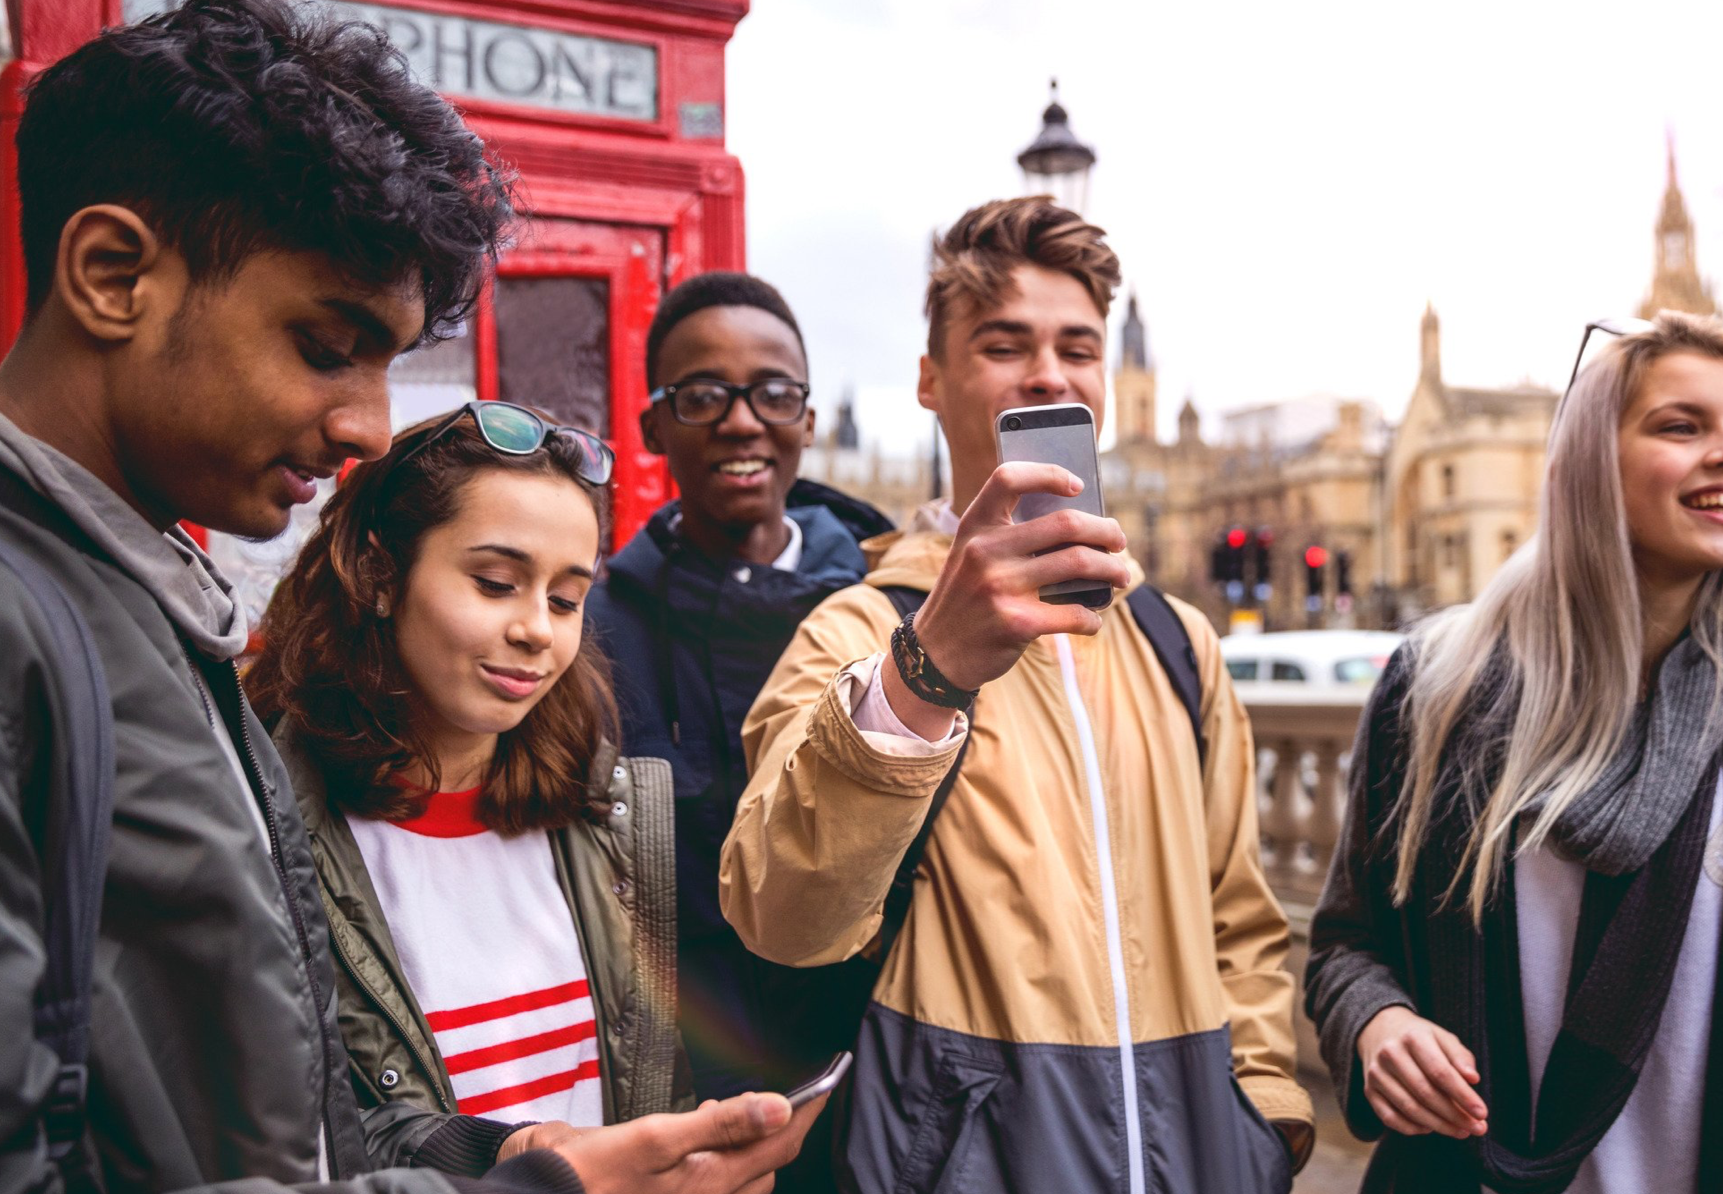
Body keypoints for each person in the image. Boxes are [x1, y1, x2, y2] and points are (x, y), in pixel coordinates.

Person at [0, 3, 813, 1192]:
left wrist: (499, 1156)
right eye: (327, 346)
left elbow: (289, 1125)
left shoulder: (150, 614)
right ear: (113, 274)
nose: (368, 427)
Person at [718, 196, 1314, 1193]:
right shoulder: (855, 636)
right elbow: (782, 916)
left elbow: (1240, 925)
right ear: (929, 379)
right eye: (1004, 344)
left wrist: (1265, 1125)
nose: (1048, 372)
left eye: (1077, 348)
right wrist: (928, 671)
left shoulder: (1178, 644)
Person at [1306, 313, 1723, 1194]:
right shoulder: (1436, 687)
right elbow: (1347, 944)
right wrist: (1377, 1025)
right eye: (1681, 425)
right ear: (1589, 462)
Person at [247, 403, 693, 1160]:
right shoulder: (268, 824)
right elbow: (279, 1136)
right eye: (495, 583)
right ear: (379, 575)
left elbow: (650, 1083)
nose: (537, 631)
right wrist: (500, 1161)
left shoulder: (603, 818)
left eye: (565, 599)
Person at [585, 273, 893, 1103]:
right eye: (704, 395)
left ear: (810, 417)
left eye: (772, 392)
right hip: (679, 1094)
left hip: (881, 1089)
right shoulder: (587, 633)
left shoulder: (899, 616)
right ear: (653, 423)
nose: (742, 420)